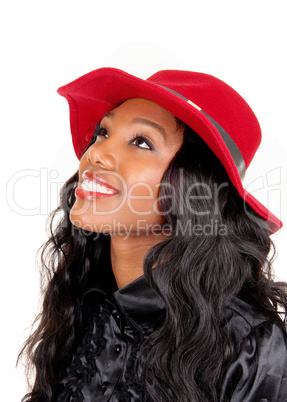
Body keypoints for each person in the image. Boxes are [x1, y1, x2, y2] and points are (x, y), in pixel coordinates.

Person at [19, 68, 287, 402]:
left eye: (141, 142)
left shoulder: (250, 346)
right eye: (103, 132)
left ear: (194, 189)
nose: (95, 154)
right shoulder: (81, 300)